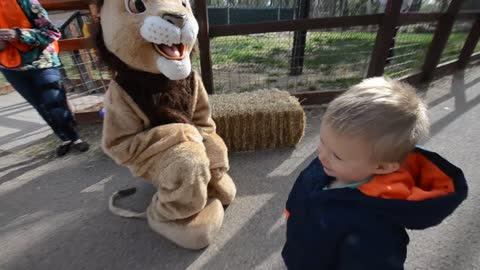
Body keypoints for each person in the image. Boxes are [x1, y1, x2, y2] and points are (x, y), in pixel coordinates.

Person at [282, 77, 468, 270]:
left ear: (382, 167)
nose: (322, 155)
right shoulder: (327, 164)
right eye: (322, 141)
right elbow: (302, 191)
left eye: (336, 155)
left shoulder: (375, 230)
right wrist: (292, 215)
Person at [0, 0, 89, 156]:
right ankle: (64, 139)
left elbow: (52, 33)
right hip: (10, 67)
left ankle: (76, 138)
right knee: (39, 105)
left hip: (42, 62)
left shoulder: (26, 2)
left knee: (55, 101)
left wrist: (19, 35)